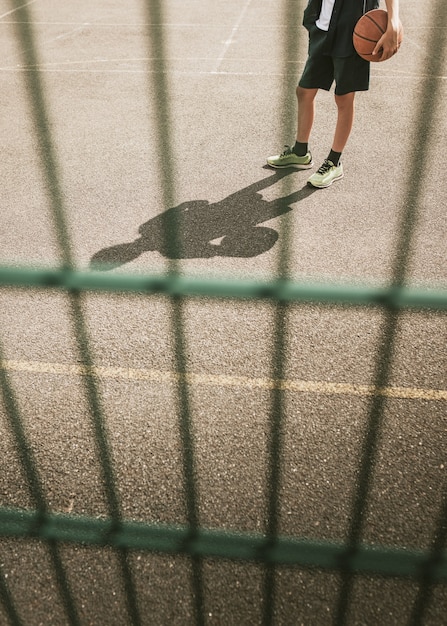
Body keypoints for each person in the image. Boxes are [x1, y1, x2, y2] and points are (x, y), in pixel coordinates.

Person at [267, 0, 401, 188]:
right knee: (304, 91)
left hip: (352, 31)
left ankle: (334, 162)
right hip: (323, 27)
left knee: (344, 98)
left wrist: (393, 19)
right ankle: (300, 152)